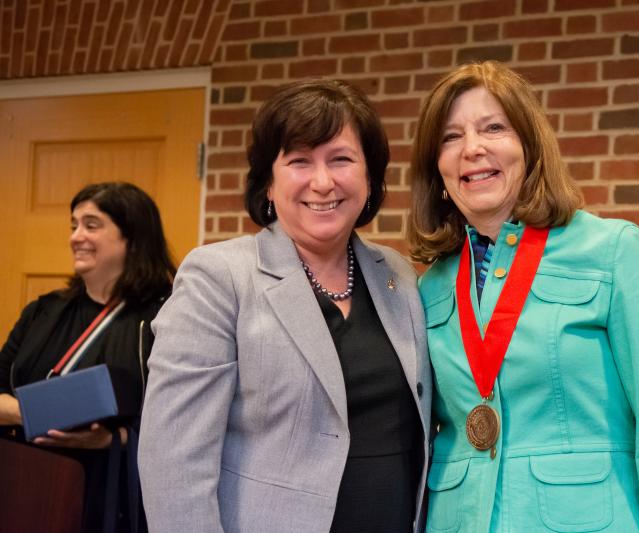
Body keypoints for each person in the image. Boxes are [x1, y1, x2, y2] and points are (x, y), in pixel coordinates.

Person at [407, 61, 639, 532]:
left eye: (493, 128)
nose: (472, 148)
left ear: (529, 146)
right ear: (437, 168)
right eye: (450, 137)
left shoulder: (614, 251)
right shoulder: (431, 286)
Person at [138, 79, 431, 533]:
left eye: (341, 159)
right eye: (299, 161)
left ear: (369, 177)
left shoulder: (397, 274)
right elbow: (174, 462)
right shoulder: (219, 278)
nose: (322, 181)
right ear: (269, 186)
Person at [0, 181, 175, 533]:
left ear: (133, 238)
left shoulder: (166, 319)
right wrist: (29, 412)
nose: (76, 236)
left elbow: (181, 421)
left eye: (92, 225)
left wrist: (114, 439)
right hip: (24, 488)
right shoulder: (42, 312)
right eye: (74, 225)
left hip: (110, 498)